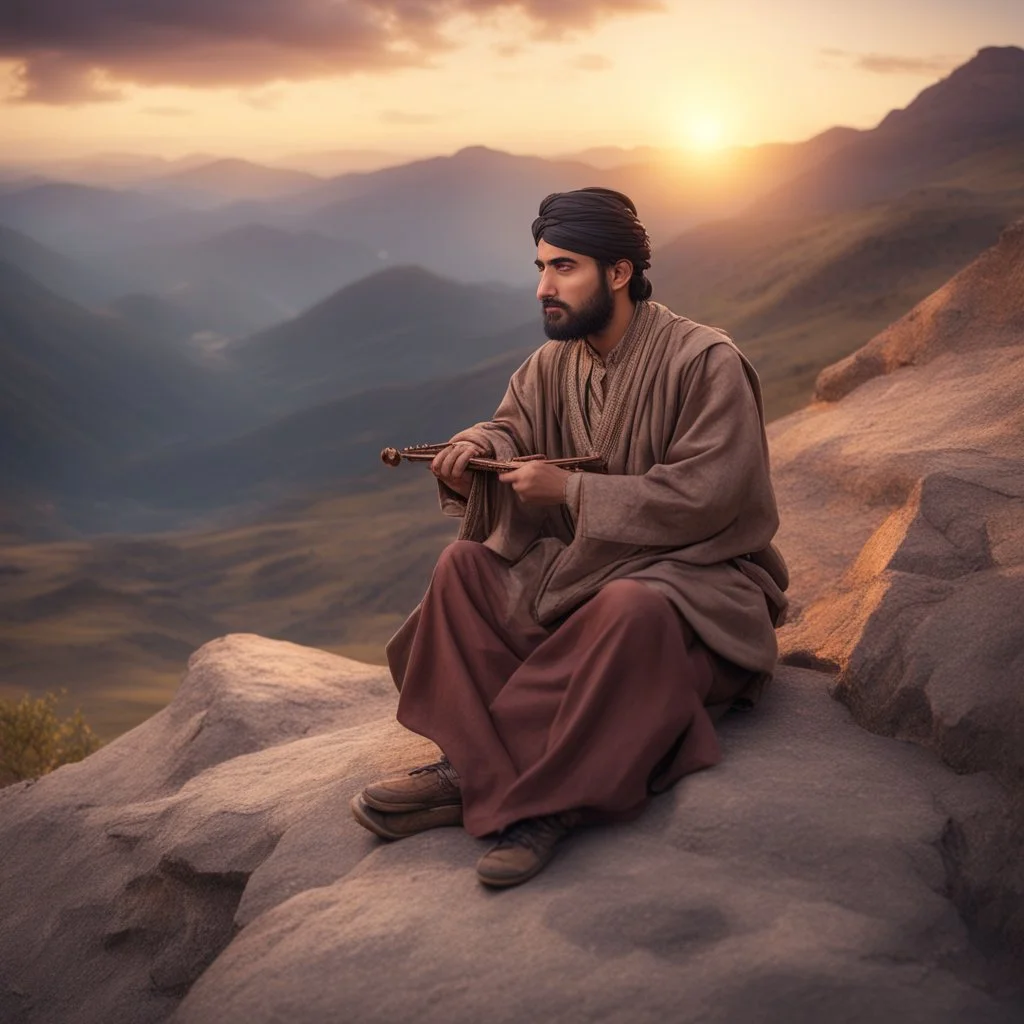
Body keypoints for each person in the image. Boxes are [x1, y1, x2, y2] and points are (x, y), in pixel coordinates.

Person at [351, 186, 789, 888]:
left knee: (629, 610)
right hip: (583, 578)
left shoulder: (705, 362)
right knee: (463, 567)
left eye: (564, 268)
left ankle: (542, 803)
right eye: (540, 267)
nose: (543, 288)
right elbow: (512, 428)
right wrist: (475, 451)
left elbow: (709, 497)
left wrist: (575, 491)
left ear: (619, 273)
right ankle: (475, 765)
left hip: (695, 588)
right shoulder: (553, 364)